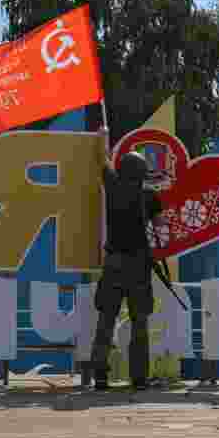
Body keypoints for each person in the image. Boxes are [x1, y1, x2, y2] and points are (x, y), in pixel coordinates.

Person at [90, 125, 164, 391]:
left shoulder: (112, 186)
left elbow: (102, 160)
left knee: (105, 319)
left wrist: (103, 137)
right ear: (143, 173)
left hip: (113, 263)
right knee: (139, 322)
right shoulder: (149, 196)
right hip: (138, 265)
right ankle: (139, 378)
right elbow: (161, 228)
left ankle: (100, 375)